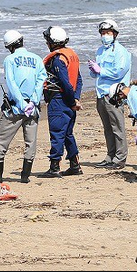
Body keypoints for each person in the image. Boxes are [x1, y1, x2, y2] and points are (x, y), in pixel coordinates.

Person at [0, 30, 46, 184]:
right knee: (30, 142)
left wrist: (22, 104)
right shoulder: (36, 59)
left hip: (15, 108)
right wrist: (33, 102)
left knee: (0, 141)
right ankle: (25, 176)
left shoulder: (9, 60)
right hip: (33, 108)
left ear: (9, 46)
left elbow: (12, 83)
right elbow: (40, 83)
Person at [88, 19, 132, 169]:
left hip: (114, 94)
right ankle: (110, 155)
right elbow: (97, 74)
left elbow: (120, 72)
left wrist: (101, 71)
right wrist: (93, 70)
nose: (105, 36)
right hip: (101, 93)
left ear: (115, 34)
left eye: (108, 33)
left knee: (117, 127)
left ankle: (120, 158)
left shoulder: (121, 51)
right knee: (107, 128)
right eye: (103, 33)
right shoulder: (100, 51)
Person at [40, 26, 83, 178]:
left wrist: (71, 100)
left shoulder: (58, 59)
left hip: (59, 99)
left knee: (57, 133)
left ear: (52, 42)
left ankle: (54, 166)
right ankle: (74, 164)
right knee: (67, 134)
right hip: (69, 99)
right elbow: (78, 80)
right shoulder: (71, 55)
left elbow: (65, 83)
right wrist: (75, 98)